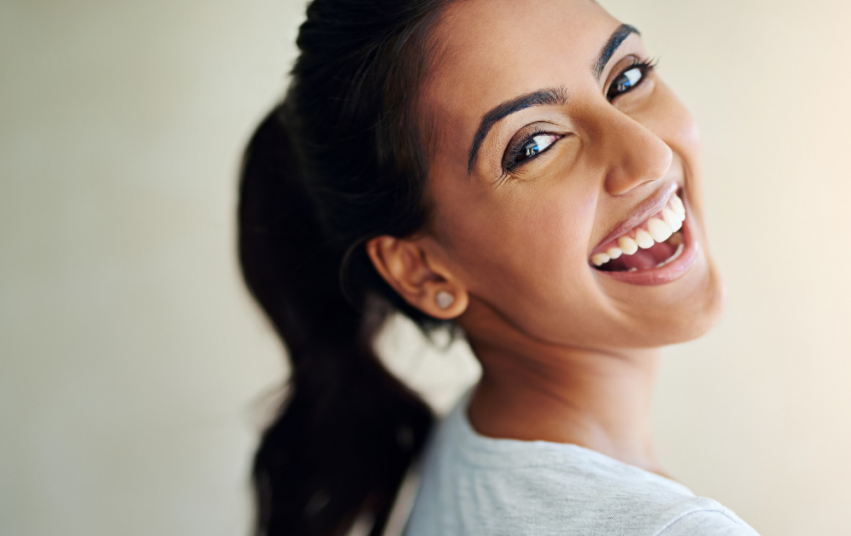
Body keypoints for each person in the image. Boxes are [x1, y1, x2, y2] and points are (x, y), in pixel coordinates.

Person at [238, 0, 758, 534]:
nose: (649, 155)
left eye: (625, 77)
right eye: (533, 145)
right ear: (422, 271)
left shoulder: (464, 452)